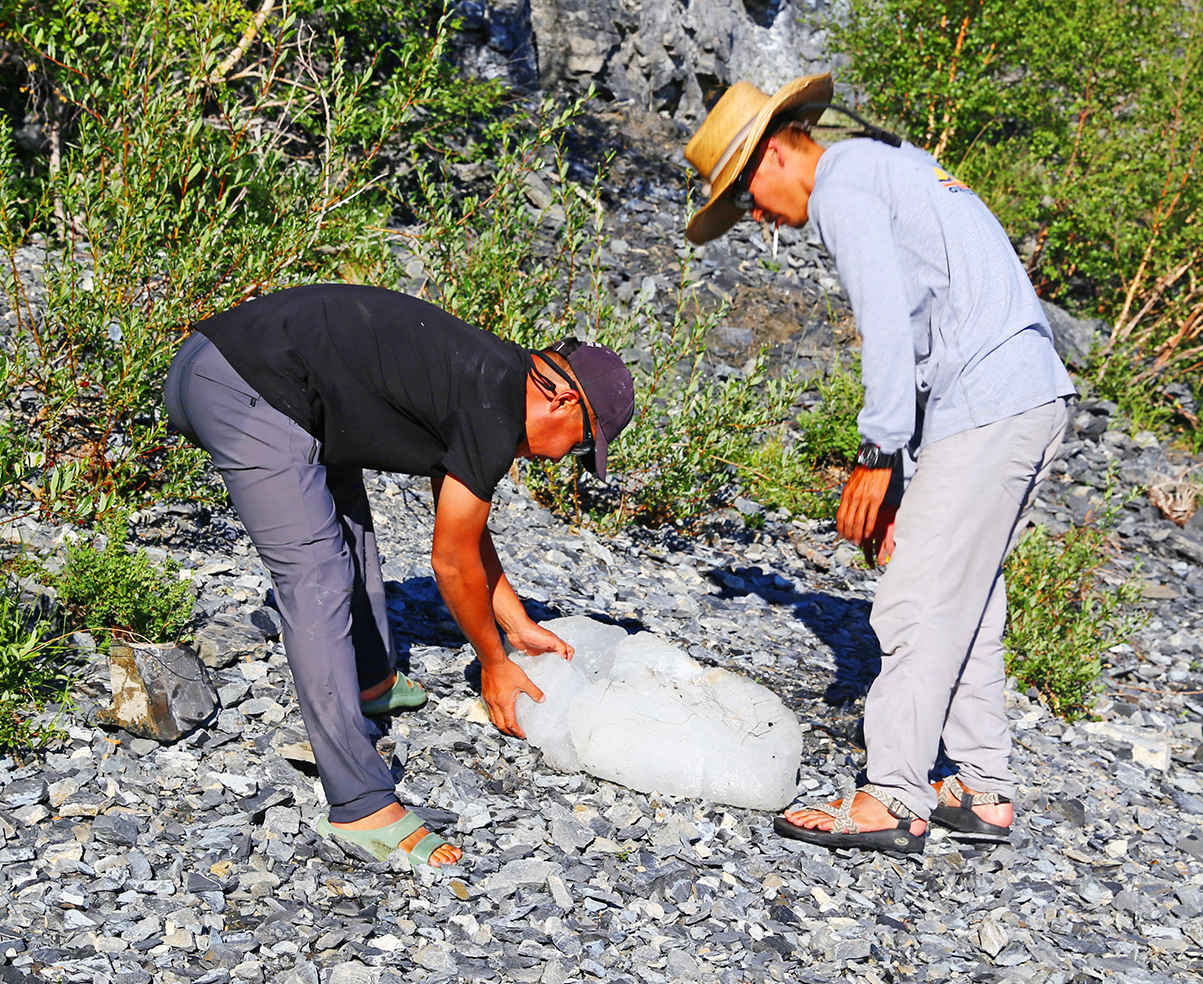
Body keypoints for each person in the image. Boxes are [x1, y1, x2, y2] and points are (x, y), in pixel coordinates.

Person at [683, 74, 1075, 854]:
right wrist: (906, 468)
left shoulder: (843, 185)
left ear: (768, 160)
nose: (760, 220)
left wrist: (876, 453)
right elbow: (940, 318)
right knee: (970, 597)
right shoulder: (891, 166)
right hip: (1026, 393)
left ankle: (893, 796)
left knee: (913, 601)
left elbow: (889, 331)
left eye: (746, 203)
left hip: (991, 400)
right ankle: (983, 787)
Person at [164, 284, 636, 867]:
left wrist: (515, 624)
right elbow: (451, 561)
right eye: (584, 446)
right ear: (563, 402)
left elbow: (466, 530)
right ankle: (360, 803)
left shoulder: (489, 376)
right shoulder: (493, 406)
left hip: (237, 370)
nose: (568, 459)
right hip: (242, 385)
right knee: (317, 576)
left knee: (350, 532)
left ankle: (369, 680)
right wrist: (493, 662)